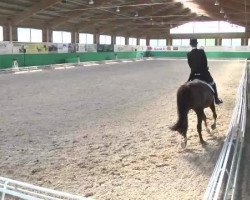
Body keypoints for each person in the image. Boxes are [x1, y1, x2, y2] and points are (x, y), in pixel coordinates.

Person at [187, 39, 223, 104]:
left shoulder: (188, 54)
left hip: (194, 75)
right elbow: (205, 63)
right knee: (213, 83)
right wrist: (206, 68)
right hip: (204, 74)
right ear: (196, 44)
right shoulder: (201, 52)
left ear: (190, 45)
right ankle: (216, 99)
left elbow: (190, 66)